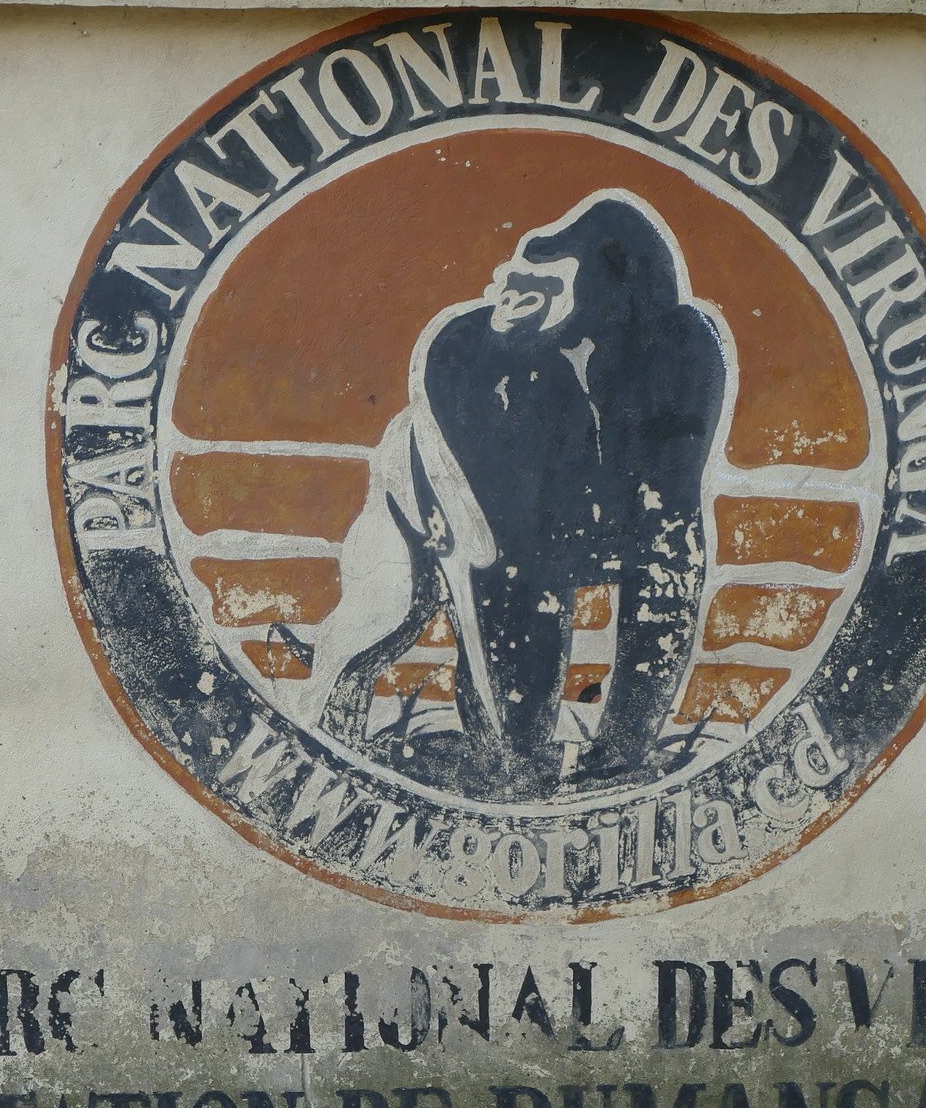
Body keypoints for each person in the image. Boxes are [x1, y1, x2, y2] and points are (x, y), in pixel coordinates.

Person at [302, 190, 733, 800]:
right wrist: (521, 757)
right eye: (519, 283)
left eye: (546, 286)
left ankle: (619, 753)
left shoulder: (682, 347)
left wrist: (629, 744)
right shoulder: (471, 350)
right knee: (405, 610)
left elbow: (671, 546)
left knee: (661, 562)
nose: (512, 297)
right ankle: (507, 757)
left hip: (591, 501)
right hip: (456, 504)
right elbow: (502, 561)